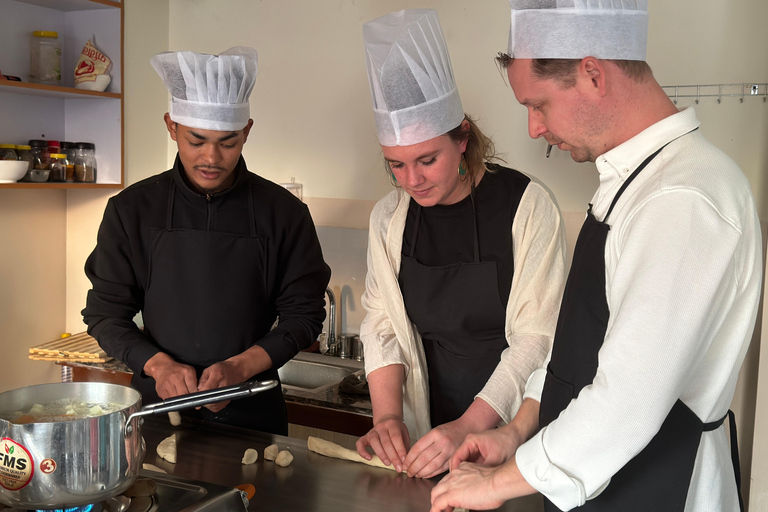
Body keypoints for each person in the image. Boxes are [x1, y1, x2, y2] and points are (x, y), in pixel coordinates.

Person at [431, 3, 762, 512]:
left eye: (538, 104)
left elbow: (626, 403)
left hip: (660, 488)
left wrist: (495, 484)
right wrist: (518, 430)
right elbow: (578, 349)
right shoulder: (633, 183)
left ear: (592, 74)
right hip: (607, 483)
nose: (533, 129)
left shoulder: (684, 197)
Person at [355, 9, 567, 479]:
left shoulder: (526, 207)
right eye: (396, 165)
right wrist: (388, 417)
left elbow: (537, 339)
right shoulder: (390, 219)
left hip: (508, 436)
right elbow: (383, 322)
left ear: (463, 139)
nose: (412, 180)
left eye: (427, 159)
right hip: (426, 433)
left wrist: (470, 426)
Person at [82, 47, 331, 435]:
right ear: (171, 126)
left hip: (253, 411)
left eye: (228, 142)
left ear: (247, 131)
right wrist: (157, 365)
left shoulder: (284, 214)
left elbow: (305, 315)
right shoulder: (132, 209)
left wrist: (241, 366)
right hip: (156, 412)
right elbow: (104, 315)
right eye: (196, 140)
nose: (211, 157)